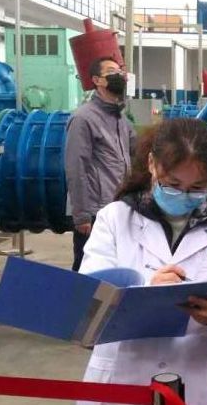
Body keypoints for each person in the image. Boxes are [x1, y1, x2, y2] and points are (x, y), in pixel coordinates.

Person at [78, 118, 207, 405]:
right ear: (152, 164)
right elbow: (89, 300)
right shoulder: (115, 219)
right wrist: (146, 290)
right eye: (173, 185)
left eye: (196, 188)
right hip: (124, 375)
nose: (183, 196)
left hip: (197, 373)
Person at [65, 56, 136, 271]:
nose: (119, 76)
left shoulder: (121, 120)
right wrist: (82, 215)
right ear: (97, 80)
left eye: (120, 72)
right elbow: (76, 168)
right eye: (111, 72)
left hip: (118, 207)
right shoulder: (83, 118)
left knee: (115, 268)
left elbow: (136, 155)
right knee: (87, 271)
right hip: (95, 212)